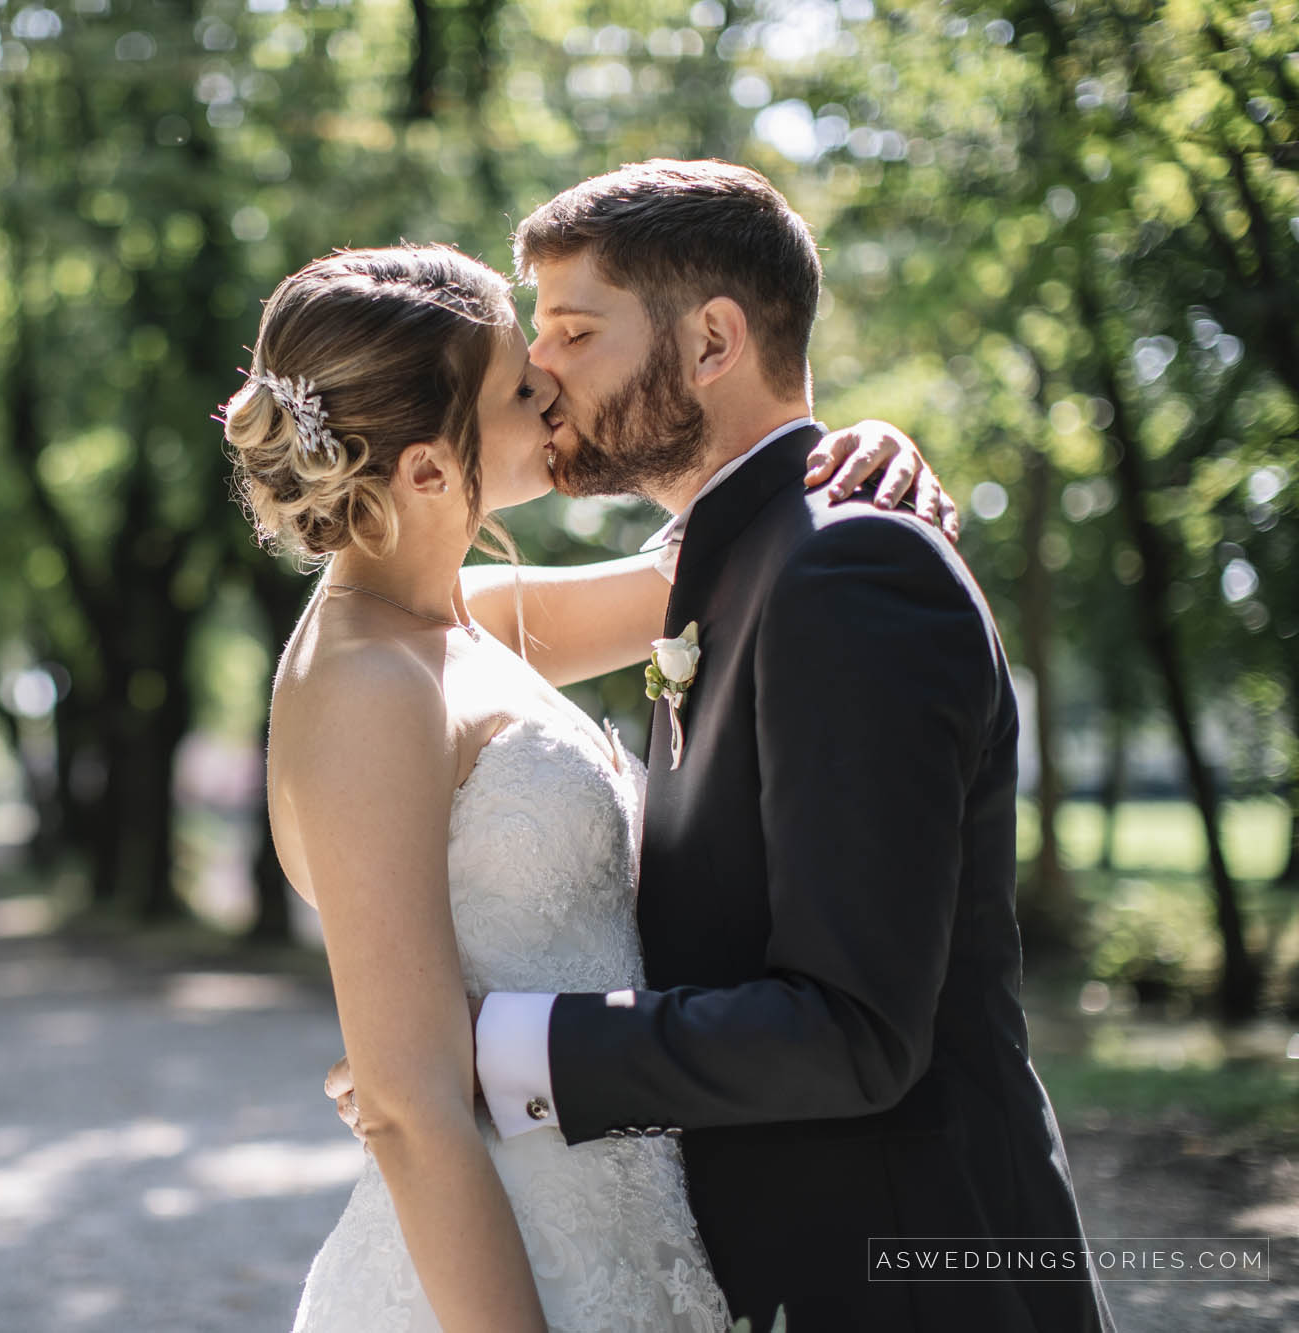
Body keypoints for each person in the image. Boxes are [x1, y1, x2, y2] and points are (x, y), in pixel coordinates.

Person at [333, 160, 1117, 1331]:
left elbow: (854, 1032)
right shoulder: (729, 563)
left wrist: (487, 1047)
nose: (537, 370)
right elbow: (402, 621)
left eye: (573, 331)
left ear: (710, 342)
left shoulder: (847, 569)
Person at [224, 241, 954, 1332]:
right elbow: (409, 1112)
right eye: (520, 390)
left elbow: (721, 560)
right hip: (506, 1265)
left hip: (628, 1215)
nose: (553, 391)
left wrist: (851, 456)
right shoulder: (366, 685)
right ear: (427, 471)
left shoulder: (468, 617)